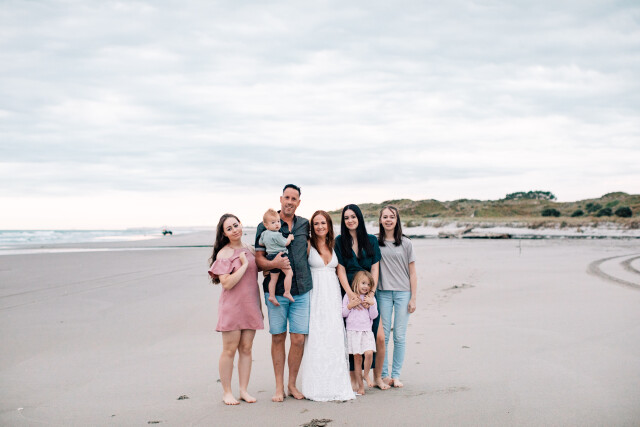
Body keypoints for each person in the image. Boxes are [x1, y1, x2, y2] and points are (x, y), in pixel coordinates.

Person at [254, 184, 312, 402]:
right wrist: (273, 264)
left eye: (294, 198)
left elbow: (316, 246)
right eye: (286, 197)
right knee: (278, 337)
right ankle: (279, 387)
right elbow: (259, 260)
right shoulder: (265, 224)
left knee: (298, 339)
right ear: (281, 199)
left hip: (302, 289)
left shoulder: (304, 224)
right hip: (276, 291)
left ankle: (292, 384)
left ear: (299, 202)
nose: (289, 201)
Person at [298, 210, 356, 401]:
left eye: (323, 223)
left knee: (333, 336)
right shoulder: (308, 244)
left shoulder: (334, 244)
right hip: (314, 295)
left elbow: (341, 271)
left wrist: (350, 293)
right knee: (316, 337)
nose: (320, 226)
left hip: (332, 295)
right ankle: (316, 386)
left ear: (329, 225)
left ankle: (336, 384)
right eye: (316, 223)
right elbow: (299, 266)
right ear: (312, 227)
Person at [208, 214, 264, 405]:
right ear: (224, 233)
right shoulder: (224, 254)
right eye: (229, 228)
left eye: (235, 225)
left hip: (250, 306)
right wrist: (244, 265)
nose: (234, 230)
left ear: (241, 224)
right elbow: (227, 283)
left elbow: (255, 280)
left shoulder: (249, 249)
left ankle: (243, 390)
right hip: (232, 308)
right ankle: (227, 392)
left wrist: (259, 307)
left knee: (247, 349)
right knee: (229, 350)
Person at [335, 204, 390, 390]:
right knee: (352, 337)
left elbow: (375, 268)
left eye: (353, 217)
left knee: (379, 337)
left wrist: (371, 294)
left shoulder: (371, 240)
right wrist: (351, 295)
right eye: (346, 218)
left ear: (359, 218)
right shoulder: (339, 241)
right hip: (349, 295)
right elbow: (341, 270)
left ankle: (377, 377)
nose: (350, 220)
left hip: (369, 294)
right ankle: (354, 379)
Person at [377, 205, 417, 388]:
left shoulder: (406, 243)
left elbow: (413, 272)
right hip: (383, 292)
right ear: (380, 220)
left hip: (403, 293)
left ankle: (396, 375)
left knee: (399, 336)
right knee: (383, 336)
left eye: (392, 217)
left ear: (397, 220)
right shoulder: (375, 241)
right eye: (385, 217)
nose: (388, 220)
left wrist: (413, 298)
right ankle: (384, 375)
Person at [342, 270, 378, 396]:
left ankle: (366, 374)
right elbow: (343, 314)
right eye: (363, 283)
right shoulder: (348, 297)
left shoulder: (370, 298)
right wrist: (350, 305)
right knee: (357, 358)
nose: (366, 287)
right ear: (356, 283)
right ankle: (360, 386)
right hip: (353, 331)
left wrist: (372, 304)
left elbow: (373, 316)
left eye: (368, 284)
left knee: (369, 353)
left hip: (366, 331)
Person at [259, 208, 295, 306]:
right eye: (273, 222)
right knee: (289, 273)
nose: (277, 224)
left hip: (270, 256)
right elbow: (285, 243)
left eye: (278, 221)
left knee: (273, 278)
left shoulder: (264, 233)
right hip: (280, 255)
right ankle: (287, 292)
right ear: (266, 225)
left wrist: (269, 244)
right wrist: (290, 237)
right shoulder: (277, 234)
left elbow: (261, 243)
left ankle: (271, 296)